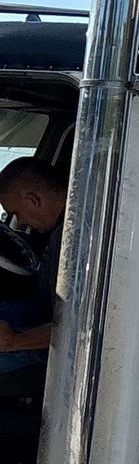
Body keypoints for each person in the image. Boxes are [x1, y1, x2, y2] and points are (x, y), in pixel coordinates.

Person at [0, 156, 64, 382]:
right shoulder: (61, 232)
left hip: (48, 342)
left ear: (33, 200)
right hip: (41, 314)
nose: (20, 222)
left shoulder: (76, 243)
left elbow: (80, 328)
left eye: (17, 214)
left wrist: (14, 342)